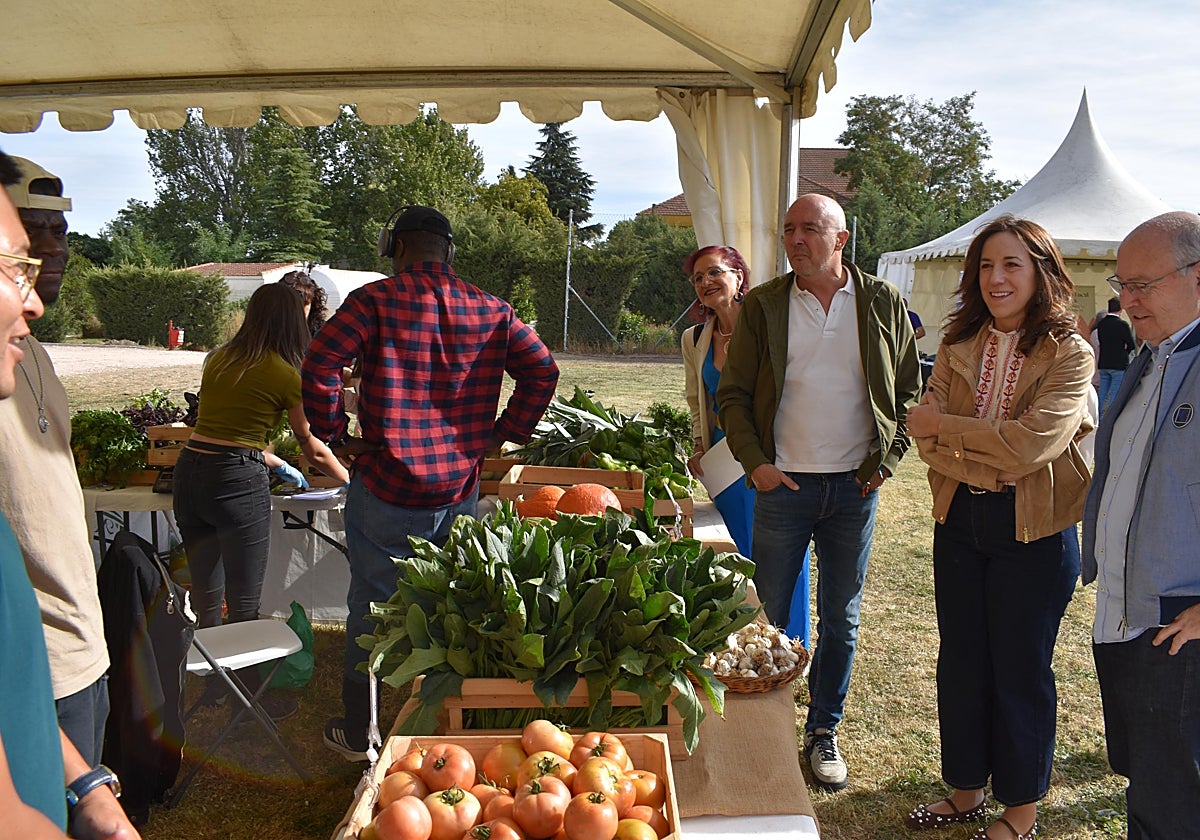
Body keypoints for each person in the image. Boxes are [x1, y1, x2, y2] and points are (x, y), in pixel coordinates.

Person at [302, 205, 559, 760]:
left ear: (395, 247)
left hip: (386, 483)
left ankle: (362, 731)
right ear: (449, 252)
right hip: (458, 486)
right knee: (451, 599)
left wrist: (334, 432)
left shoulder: (372, 301)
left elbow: (320, 362)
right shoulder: (492, 309)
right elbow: (543, 369)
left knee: (372, 608)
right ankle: (443, 724)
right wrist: (503, 433)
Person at [717, 193, 921, 791]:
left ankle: (823, 730)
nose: (796, 240)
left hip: (856, 489)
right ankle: (764, 724)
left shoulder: (882, 301)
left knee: (842, 616)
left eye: (810, 229)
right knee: (769, 614)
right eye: (788, 230)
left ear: (841, 238)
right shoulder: (763, 305)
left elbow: (910, 392)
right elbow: (732, 394)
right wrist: (756, 465)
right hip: (783, 487)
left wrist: (886, 462)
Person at [904, 216, 1093, 840]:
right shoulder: (960, 342)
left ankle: (1020, 809)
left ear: (1042, 272)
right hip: (958, 518)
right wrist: (975, 452)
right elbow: (918, 434)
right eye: (986, 265)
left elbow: (1028, 446)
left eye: (1012, 264)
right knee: (960, 660)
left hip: (1034, 532)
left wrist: (951, 432)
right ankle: (965, 789)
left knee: (1019, 667)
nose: (996, 278)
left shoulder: (1070, 351)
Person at [0, 149, 139, 839]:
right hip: (30, 673)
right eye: (29, 239)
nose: (53, 250)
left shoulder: (32, 353)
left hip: (80, 651)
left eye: (58, 232)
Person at [173, 282, 348, 715]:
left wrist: (267, 458)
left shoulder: (218, 359)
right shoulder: (286, 373)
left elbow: (222, 426)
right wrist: (351, 481)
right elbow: (311, 446)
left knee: (208, 593)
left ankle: (214, 689)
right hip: (236, 481)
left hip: (190, 471)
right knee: (246, 601)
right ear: (294, 321)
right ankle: (248, 701)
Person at [1082, 210, 1200, 839]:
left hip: (1180, 620)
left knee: (1172, 798)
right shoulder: (1154, 356)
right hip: (1127, 609)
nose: (1126, 301)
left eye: (1143, 285)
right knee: (1145, 776)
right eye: (1121, 286)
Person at [681, 244, 811, 650]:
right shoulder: (694, 338)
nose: (705, 283)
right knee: (740, 551)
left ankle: (793, 643)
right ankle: (751, 640)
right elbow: (694, 396)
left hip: (770, 455)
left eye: (714, 272)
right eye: (698, 278)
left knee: (784, 551)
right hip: (723, 459)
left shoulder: (772, 324)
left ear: (739, 275)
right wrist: (700, 446)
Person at [1094, 296, 1136, 415]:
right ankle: (1110, 416)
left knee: (1102, 391)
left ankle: (1099, 416)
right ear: (1121, 309)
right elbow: (1131, 344)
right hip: (1118, 363)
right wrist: (1125, 353)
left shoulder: (1101, 324)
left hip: (1103, 362)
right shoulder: (1122, 325)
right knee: (1115, 392)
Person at [278, 269, 328, 339]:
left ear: (313, 304)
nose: (297, 310)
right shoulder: (269, 332)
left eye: (303, 304)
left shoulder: (324, 332)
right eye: (290, 305)